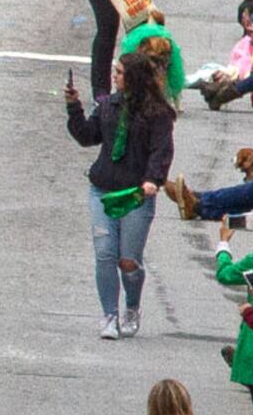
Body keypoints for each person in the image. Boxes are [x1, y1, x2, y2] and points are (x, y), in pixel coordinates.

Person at [66, 47, 175, 340]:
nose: (114, 78)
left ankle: (132, 306)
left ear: (134, 78)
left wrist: (153, 179)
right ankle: (109, 315)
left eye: (119, 73)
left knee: (128, 259)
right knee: (104, 254)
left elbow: (161, 150)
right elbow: (88, 136)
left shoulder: (158, 113)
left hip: (136, 194)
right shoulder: (108, 106)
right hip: (103, 188)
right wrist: (74, 108)